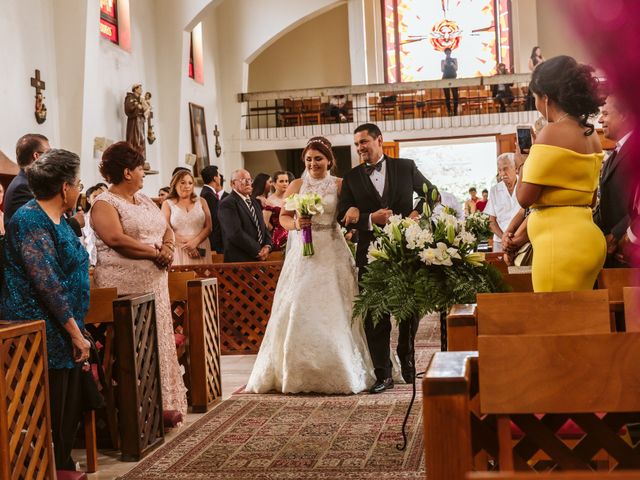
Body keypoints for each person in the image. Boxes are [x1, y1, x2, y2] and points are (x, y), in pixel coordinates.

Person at [246, 136, 374, 394]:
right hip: (302, 253)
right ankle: (295, 368)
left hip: (331, 247)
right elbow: (283, 217)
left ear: (329, 160)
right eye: (308, 159)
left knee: (336, 303)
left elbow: (351, 210)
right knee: (299, 303)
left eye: (318, 158)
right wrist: (297, 225)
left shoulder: (339, 184)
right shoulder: (296, 184)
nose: (313, 163)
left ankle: (341, 365)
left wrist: (353, 218)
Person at [2, 149, 91, 471]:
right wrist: (74, 332)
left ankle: (61, 463)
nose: (80, 188)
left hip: (63, 325)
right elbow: (46, 282)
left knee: (68, 406)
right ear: (65, 187)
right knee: (50, 406)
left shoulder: (59, 219)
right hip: (38, 329)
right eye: (79, 182)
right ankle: (44, 465)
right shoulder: (29, 219)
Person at [91, 141, 187, 423]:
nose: (144, 173)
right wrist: (156, 253)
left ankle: (161, 402)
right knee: (136, 348)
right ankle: (137, 410)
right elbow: (116, 239)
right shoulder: (104, 203)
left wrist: (168, 249)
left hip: (154, 282)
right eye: (140, 168)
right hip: (124, 287)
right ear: (126, 172)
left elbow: (166, 228)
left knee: (157, 340)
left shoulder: (144, 200)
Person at [338, 123, 437, 394]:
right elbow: (342, 214)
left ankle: (406, 353)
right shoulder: (352, 178)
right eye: (357, 144)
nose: (360, 148)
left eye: (364, 142)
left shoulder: (405, 167)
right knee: (374, 313)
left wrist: (417, 214)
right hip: (370, 254)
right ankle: (383, 373)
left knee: (410, 309)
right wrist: (370, 218)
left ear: (379, 140)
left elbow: (433, 194)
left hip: (406, 250)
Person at [517, 55, 606, 292]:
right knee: (582, 323)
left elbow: (524, 197)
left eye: (534, 98)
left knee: (555, 323)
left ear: (546, 98)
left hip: (560, 247)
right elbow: (591, 196)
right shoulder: (591, 135)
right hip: (588, 240)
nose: (535, 104)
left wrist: (522, 163)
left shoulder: (551, 132)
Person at [4, 133, 84, 236]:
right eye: (49, 153)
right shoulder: (23, 186)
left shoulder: (29, 182)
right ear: (37, 156)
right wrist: (75, 222)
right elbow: (36, 227)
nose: (52, 157)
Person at [594, 95, 634, 267]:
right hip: (613, 253)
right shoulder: (612, 156)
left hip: (629, 248)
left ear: (624, 114)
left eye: (605, 113)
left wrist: (617, 235)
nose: (600, 119)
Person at [218, 169, 273, 262]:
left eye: (250, 180)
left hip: (260, 259)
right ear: (232, 184)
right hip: (240, 260)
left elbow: (263, 227)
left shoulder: (255, 201)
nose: (248, 183)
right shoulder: (227, 203)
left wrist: (268, 246)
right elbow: (235, 233)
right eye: (243, 180)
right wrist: (258, 250)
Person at [162, 169, 212, 265]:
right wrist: (187, 246)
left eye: (190, 183)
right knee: (182, 278)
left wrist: (195, 243)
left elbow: (209, 227)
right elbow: (166, 229)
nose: (187, 186)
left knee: (203, 278)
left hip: (201, 245)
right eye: (183, 182)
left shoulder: (202, 201)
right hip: (179, 248)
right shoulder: (167, 204)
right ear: (175, 184)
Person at [485, 153, 521, 252]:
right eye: (499, 170)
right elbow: (491, 222)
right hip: (500, 242)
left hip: (523, 240)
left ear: (515, 168)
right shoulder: (494, 190)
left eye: (505, 169)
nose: (502, 174)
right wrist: (504, 238)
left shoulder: (524, 187)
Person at [82, 183, 108, 266]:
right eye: (95, 196)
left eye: (101, 196)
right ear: (88, 200)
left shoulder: (111, 217)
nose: (98, 199)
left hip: (107, 260)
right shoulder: (83, 218)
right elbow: (81, 240)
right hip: (89, 261)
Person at [263, 170, 289, 250]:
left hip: (293, 234)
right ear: (274, 184)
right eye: (281, 181)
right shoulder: (270, 201)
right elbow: (265, 224)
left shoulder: (292, 198)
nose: (285, 183)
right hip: (278, 238)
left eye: (286, 181)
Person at [200, 165, 224, 252]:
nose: (220, 178)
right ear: (215, 178)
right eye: (218, 175)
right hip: (214, 242)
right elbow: (214, 220)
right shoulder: (208, 195)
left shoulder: (208, 192)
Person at [124, 84, 148, 158]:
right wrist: (137, 105)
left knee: (141, 138)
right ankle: (134, 158)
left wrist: (145, 107)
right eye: (140, 88)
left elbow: (145, 108)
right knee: (135, 139)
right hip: (134, 120)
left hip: (140, 120)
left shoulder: (140, 99)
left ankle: (140, 157)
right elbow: (129, 107)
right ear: (135, 89)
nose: (141, 90)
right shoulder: (130, 97)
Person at [441, 47, 459, 116]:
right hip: (445, 78)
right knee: (447, 96)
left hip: (453, 78)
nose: (448, 53)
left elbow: (456, 68)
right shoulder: (443, 61)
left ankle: (455, 111)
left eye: (449, 52)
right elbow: (442, 70)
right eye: (446, 52)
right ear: (445, 53)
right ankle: (449, 111)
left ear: (450, 52)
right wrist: (445, 64)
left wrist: (452, 64)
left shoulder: (454, 59)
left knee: (455, 96)